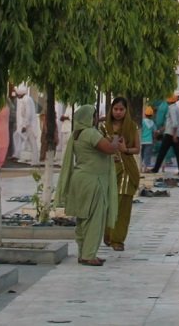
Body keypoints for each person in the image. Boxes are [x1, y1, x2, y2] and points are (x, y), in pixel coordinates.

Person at [56, 105, 121, 266]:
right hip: (93, 181)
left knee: (83, 219)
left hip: (81, 180)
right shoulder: (90, 133)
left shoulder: (77, 134)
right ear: (87, 118)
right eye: (94, 116)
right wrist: (116, 139)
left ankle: (83, 252)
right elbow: (110, 149)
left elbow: (93, 154)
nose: (96, 119)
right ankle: (89, 255)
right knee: (94, 219)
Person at [103, 97, 140, 251]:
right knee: (109, 203)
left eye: (121, 109)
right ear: (111, 110)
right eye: (115, 109)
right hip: (108, 169)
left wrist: (125, 150)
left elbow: (137, 149)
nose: (118, 112)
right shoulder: (103, 127)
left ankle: (118, 239)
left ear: (126, 111)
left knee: (123, 205)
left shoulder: (131, 127)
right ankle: (108, 234)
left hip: (127, 170)